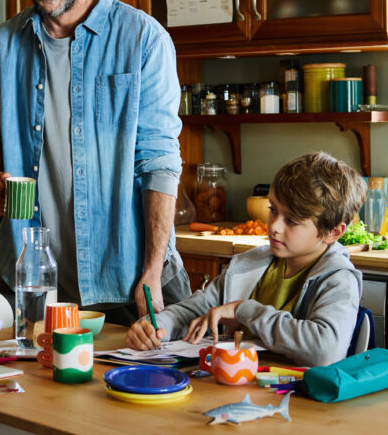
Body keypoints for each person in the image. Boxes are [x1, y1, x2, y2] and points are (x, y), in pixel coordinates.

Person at [0, 0, 190, 324]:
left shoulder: (143, 40)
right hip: (30, 279)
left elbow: (160, 162)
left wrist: (151, 268)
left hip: (128, 278)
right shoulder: (2, 46)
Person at [125, 151, 366, 367]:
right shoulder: (248, 265)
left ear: (333, 232)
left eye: (292, 221)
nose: (274, 227)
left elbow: (325, 350)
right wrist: (156, 327)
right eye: (273, 210)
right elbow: (194, 311)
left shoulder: (339, 279)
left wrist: (243, 310)